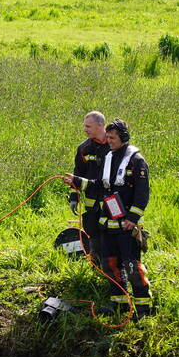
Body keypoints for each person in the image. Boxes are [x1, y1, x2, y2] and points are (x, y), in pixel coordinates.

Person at [64, 119, 152, 319]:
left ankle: (144, 310)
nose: (109, 141)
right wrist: (77, 182)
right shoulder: (109, 157)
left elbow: (142, 193)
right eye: (108, 137)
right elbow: (100, 185)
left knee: (132, 267)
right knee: (110, 265)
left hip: (126, 226)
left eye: (112, 138)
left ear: (123, 138)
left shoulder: (136, 161)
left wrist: (133, 218)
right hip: (107, 225)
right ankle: (119, 305)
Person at [70, 111, 109, 267]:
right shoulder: (84, 148)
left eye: (88, 126)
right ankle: (97, 267)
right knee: (94, 235)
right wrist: (74, 197)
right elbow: (77, 174)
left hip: (111, 203)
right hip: (92, 203)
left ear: (100, 125)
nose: (85, 130)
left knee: (111, 236)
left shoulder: (114, 145)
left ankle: (114, 270)